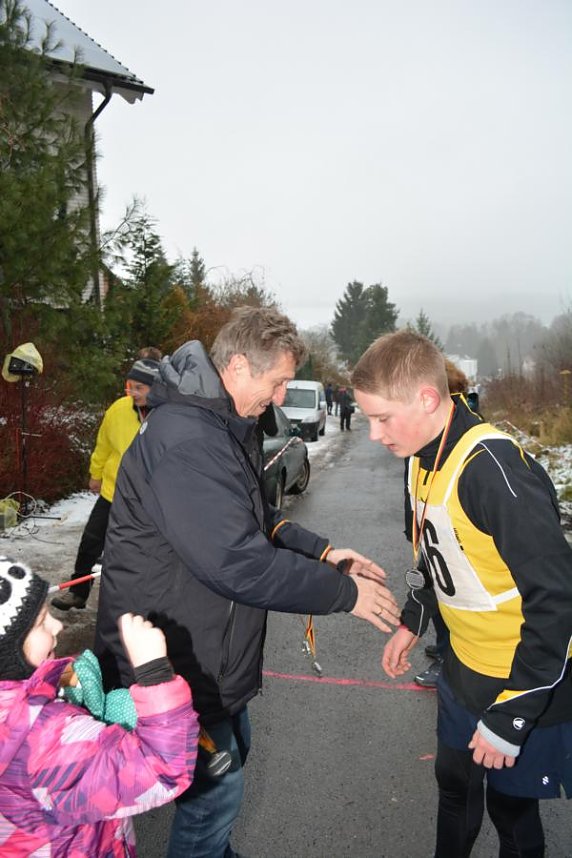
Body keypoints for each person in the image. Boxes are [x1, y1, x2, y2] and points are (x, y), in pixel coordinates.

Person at [94, 306, 400, 858]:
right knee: (215, 795)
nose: (282, 397)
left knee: (228, 770)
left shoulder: (224, 426)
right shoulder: (188, 441)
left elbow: (255, 521)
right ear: (236, 366)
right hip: (172, 655)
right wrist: (345, 595)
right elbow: (238, 562)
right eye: (277, 381)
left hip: (210, 651)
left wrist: (324, 553)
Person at [352, 330, 572, 858]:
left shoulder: (493, 471)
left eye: (382, 418)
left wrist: (512, 715)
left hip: (523, 677)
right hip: (462, 669)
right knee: (454, 786)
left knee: (510, 809)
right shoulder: (420, 455)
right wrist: (413, 620)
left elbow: (558, 600)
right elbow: (437, 553)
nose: (373, 435)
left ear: (428, 399)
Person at [0, 556, 199, 856]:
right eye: (40, 623)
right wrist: (154, 672)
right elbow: (163, 771)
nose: (58, 625)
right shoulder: (42, 738)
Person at [51, 355, 161, 610]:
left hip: (146, 500)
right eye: (129, 386)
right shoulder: (118, 409)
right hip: (113, 493)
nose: (132, 392)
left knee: (135, 552)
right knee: (90, 542)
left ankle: (134, 603)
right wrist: (96, 473)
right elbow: (103, 445)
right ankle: (78, 592)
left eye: (139, 388)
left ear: (155, 388)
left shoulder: (166, 417)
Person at [411, 358, 471, 689]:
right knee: (434, 597)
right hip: (428, 534)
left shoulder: (461, 442)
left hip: (448, 541)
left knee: (449, 600)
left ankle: (448, 661)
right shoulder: (429, 437)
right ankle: (445, 648)